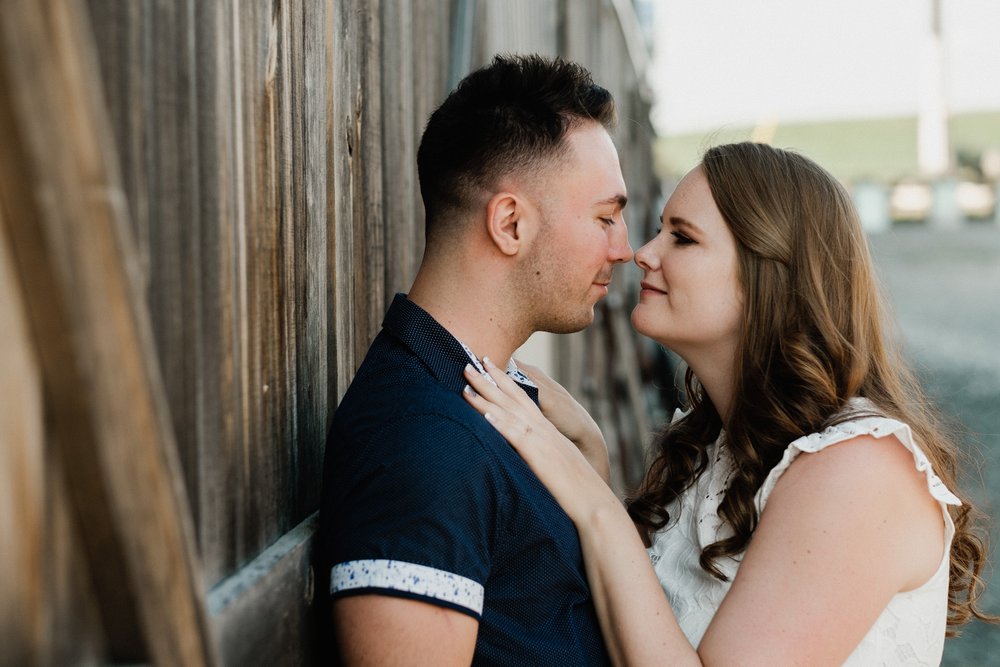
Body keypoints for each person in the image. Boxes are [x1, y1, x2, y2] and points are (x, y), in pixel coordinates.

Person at [462, 142, 995, 665]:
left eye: (683, 238)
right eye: (659, 230)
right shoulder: (714, 451)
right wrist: (590, 453)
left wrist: (593, 502)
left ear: (769, 275)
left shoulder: (859, 469)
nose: (643, 254)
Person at [319, 54, 633, 665]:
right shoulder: (423, 442)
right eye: (605, 217)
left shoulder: (487, 402)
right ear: (510, 223)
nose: (623, 249)